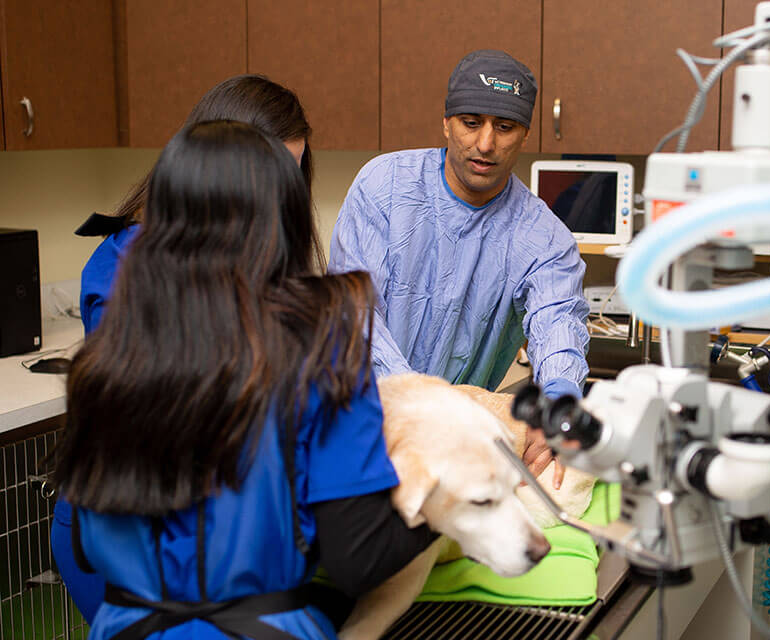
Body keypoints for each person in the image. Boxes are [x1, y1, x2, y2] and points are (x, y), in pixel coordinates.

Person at [53, 120, 436, 639]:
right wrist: (442, 505)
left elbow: (83, 546)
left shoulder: (104, 362)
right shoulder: (321, 349)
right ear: (286, 219)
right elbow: (357, 560)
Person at [55, 75, 318, 625]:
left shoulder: (262, 268)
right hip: (131, 525)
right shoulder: (122, 267)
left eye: (291, 181)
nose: (279, 202)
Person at [328, 50, 590, 485]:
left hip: (454, 447)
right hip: (358, 425)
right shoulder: (383, 187)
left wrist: (559, 405)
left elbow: (558, 324)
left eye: (504, 127)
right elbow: (353, 317)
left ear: (525, 134)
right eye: (471, 123)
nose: (485, 144)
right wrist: (423, 405)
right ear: (445, 122)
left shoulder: (544, 238)